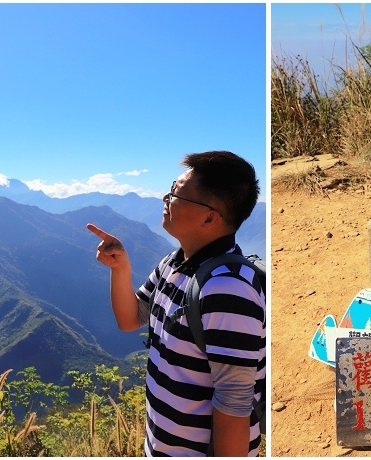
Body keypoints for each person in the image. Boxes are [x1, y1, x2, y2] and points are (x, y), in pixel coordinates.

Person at [87, 151, 265, 456]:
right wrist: (121, 269)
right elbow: (132, 318)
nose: (165, 198)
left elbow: (234, 400)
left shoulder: (228, 288)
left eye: (175, 194)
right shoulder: (174, 263)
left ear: (209, 217)